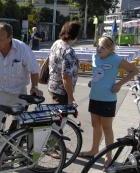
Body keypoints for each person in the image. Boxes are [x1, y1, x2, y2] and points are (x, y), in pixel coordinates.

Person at [79, 36, 138, 167]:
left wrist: (119, 84)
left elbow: (134, 70)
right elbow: (98, 74)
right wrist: (92, 81)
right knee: (95, 125)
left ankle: (109, 156)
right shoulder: (95, 57)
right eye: (98, 46)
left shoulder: (116, 59)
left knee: (107, 128)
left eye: (103, 47)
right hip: (94, 96)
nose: (99, 49)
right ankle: (94, 150)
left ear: (111, 49)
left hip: (108, 99)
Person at [0, 22, 43, 135]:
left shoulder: (22, 49)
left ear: (10, 38)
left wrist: (34, 87)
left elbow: (34, 70)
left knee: (18, 130)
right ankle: (1, 151)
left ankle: (15, 149)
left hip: (19, 94)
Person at [48, 21, 81, 105]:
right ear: (75, 35)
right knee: (61, 117)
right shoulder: (69, 51)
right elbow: (66, 76)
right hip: (62, 92)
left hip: (52, 87)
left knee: (55, 116)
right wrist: (70, 96)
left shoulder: (56, 43)